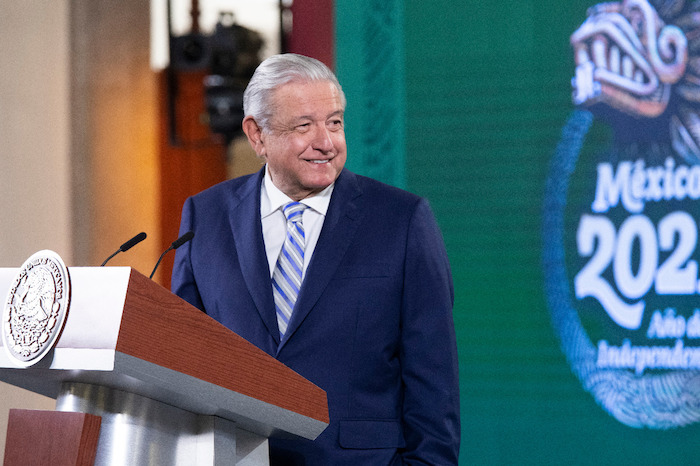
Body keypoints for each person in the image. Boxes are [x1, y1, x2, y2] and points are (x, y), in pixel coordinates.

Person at [171, 53, 460, 465]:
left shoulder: (401, 220)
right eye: (304, 125)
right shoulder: (205, 216)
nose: (325, 142)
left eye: (335, 122)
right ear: (257, 135)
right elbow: (180, 355)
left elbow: (434, 379)